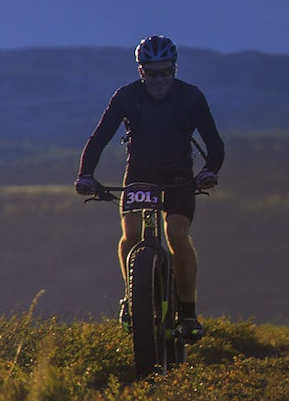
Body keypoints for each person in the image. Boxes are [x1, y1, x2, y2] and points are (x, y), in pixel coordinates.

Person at [73, 34, 225, 344]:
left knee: (178, 235)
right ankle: (132, 298)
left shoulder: (191, 97)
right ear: (141, 71)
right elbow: (99, 138)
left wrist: (210, 170)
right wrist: (85, 174)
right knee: (130, 235)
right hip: (140, 173)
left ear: (174, 69)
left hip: (179, 174)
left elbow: (214, 142)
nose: (158, 79)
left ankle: (188, 313)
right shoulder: (126, 97)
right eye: (150, 72)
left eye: (164, 71)